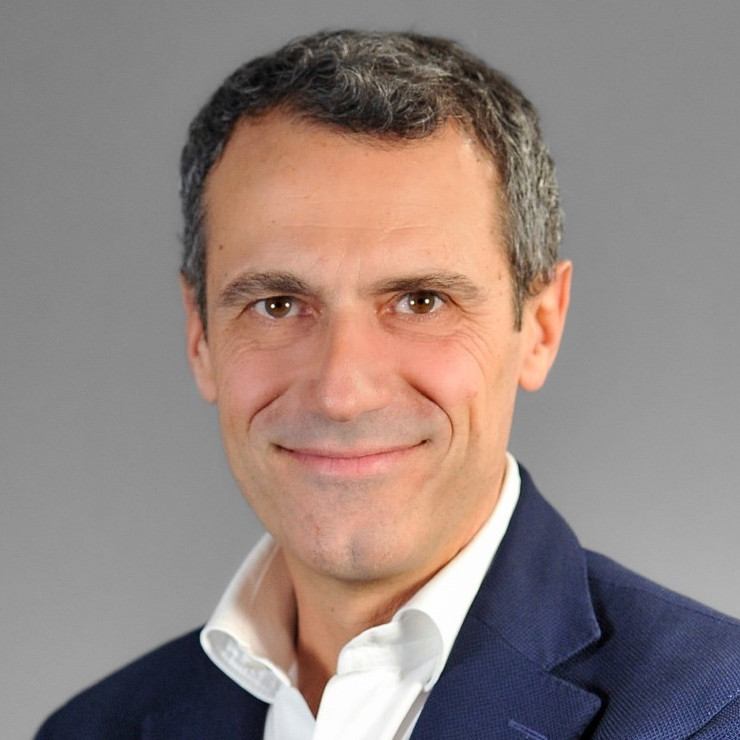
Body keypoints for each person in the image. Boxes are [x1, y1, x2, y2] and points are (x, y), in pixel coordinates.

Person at [36, 29, 740, 739]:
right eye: (277, 305)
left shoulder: (713, 712)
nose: (342, 393)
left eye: (421, 302)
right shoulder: (92, 730)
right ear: (200, 336)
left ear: (541, 326)